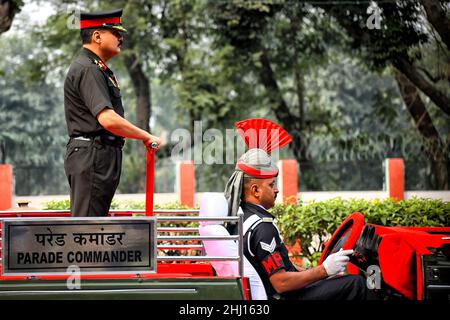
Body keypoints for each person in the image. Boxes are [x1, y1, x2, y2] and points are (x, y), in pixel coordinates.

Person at [224, 148, 373, 300]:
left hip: (279, 294)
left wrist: (321, 273)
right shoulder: (262, 227)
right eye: (271, 185)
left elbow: (285, 268)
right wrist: (324, 270)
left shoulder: (240, 217)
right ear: (255, 190)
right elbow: (280, 283)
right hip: (285, 296)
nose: (276, 190)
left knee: (340, 281)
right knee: (357, 284)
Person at [64, 9, 160, 217]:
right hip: (93, 153)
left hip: (99, 153)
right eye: (115, 33)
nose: (121, 38)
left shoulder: (97, 68)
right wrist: (146, 136)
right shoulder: (89, 69)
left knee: (94, 225)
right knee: (88, 231)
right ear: (97, 36)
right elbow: (107, 119)